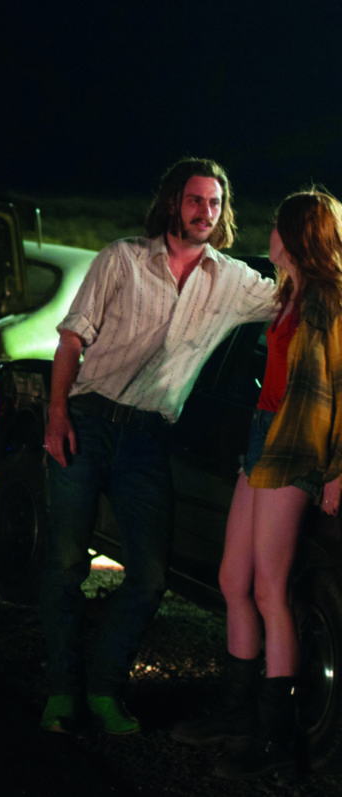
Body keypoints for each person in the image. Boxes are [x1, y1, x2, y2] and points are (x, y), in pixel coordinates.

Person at [40, 158, 277, 736]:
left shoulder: (234, 280)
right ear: (173, 202)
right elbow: (71, 340)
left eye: (215, 203)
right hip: (88, 420)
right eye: (195, 200)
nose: (205, 212)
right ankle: (62, 692)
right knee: (66, 564)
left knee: (148, 577)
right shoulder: (121, 258)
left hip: (148, 437)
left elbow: (298, 298)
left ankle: (104, 690)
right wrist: (56, 414)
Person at [172, 190, 342, 780]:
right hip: (261, 437)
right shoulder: (287, 294)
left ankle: (274, 740)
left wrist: (336, 471)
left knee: (270, 590)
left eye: (276, 225)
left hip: (294, 446)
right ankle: (237, 715)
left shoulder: (329, 300)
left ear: (296, 234)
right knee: (232, 579)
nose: (268, 233)